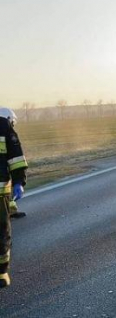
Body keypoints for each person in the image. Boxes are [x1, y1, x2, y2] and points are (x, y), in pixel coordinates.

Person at [0, 107, 28, 288]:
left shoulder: (2, 127)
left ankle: (1, 272)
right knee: (1, 231)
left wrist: (18, 180)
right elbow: (16, 156)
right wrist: (19, 181)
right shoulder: (4, 127)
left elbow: (15, 157)